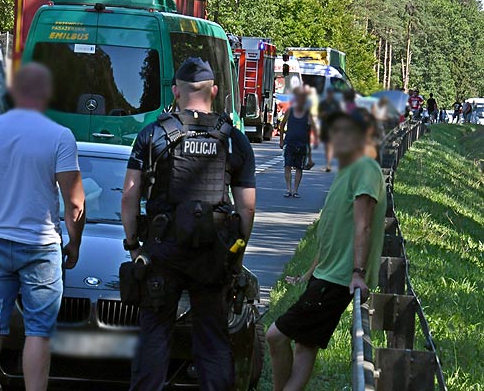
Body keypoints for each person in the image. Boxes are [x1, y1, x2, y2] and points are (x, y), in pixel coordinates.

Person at [121, 58, 256, 391]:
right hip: (212, 252)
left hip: (162, 250)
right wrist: (236, 253)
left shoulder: (153, 134)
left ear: (175, 91)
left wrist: (133, 245)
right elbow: (247, 208)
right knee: (212, 337)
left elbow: (128, 196)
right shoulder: (233, 139)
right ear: (214, 90)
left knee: (154, 335)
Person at [0, 63, 86, 391]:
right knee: (38, 331)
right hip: (42, 247)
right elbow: (75, 202)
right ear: (46, 94)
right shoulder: (59, 136)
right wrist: (74, 243)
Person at [266, 109, 387, 391]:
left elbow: (363, 225)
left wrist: (357, 273)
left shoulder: (365, 168)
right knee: (306, 345)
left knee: (275, 336)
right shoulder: (350, 167)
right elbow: (335, 230)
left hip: (338, 279)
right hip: (327, 274)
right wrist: (310, 272)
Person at [280, 87, 317, 198]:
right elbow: (282, 125)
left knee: (299, 168)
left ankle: (295, 190)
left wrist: (310, 154)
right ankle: (288, 189)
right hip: (290, 142)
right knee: (287, 166)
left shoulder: (307, 113)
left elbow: (312, 129)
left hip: (302, 144)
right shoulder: (290, 110)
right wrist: (281, 140)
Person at [317, 88, 341, 172]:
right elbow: (318, 115)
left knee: (330, 146)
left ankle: (329, 164)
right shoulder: (323, 104)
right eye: (329, 93)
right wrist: (323, 114)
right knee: (327, 146)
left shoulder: (336, 104)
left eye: (331, 93)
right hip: (325, 127)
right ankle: (328, 163)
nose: (330, 95)